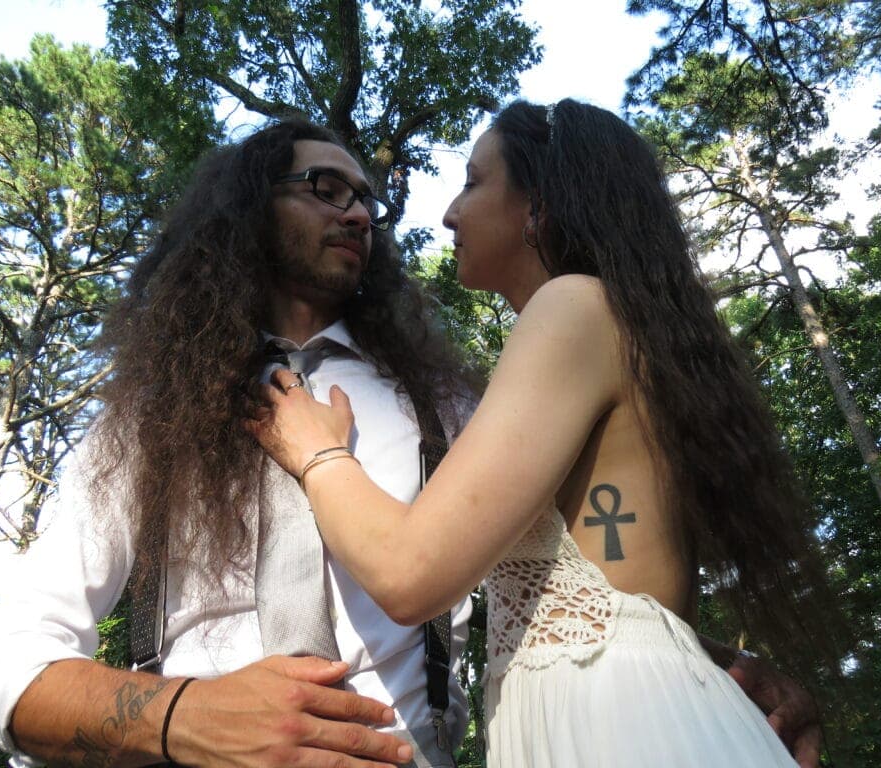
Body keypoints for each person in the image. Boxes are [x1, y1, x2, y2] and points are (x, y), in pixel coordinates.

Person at [0, 116, 819, 768]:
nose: (360, 211)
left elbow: (562, 582)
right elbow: (8, 667)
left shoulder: (450, 405)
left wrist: (724, 669)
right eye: (324, 187)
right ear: (245, 210)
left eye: (366, 198)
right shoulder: (145, 417)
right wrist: (181, 717)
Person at [249, 100, 839, 767]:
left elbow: (409, 575)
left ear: (538, 206)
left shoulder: (572, 306)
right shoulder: (617, 328)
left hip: (615, 725)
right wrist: (732, 663)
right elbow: (613, 600)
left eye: (473, 182)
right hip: (634, 711)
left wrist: (316, 451)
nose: (450, 214)